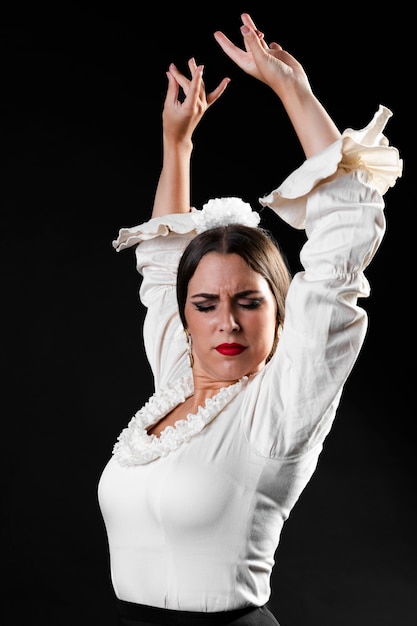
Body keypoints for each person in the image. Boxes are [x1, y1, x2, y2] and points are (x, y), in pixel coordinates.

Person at [98, 13, 402, 626]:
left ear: (280, 310)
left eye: (249, 302)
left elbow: (341, 241)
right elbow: (163, 271)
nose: (226, 324)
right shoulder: (175, 384)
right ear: (187, 319)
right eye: (206, 306)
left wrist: (295, 91)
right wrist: (176, 146)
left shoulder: (282, 406)